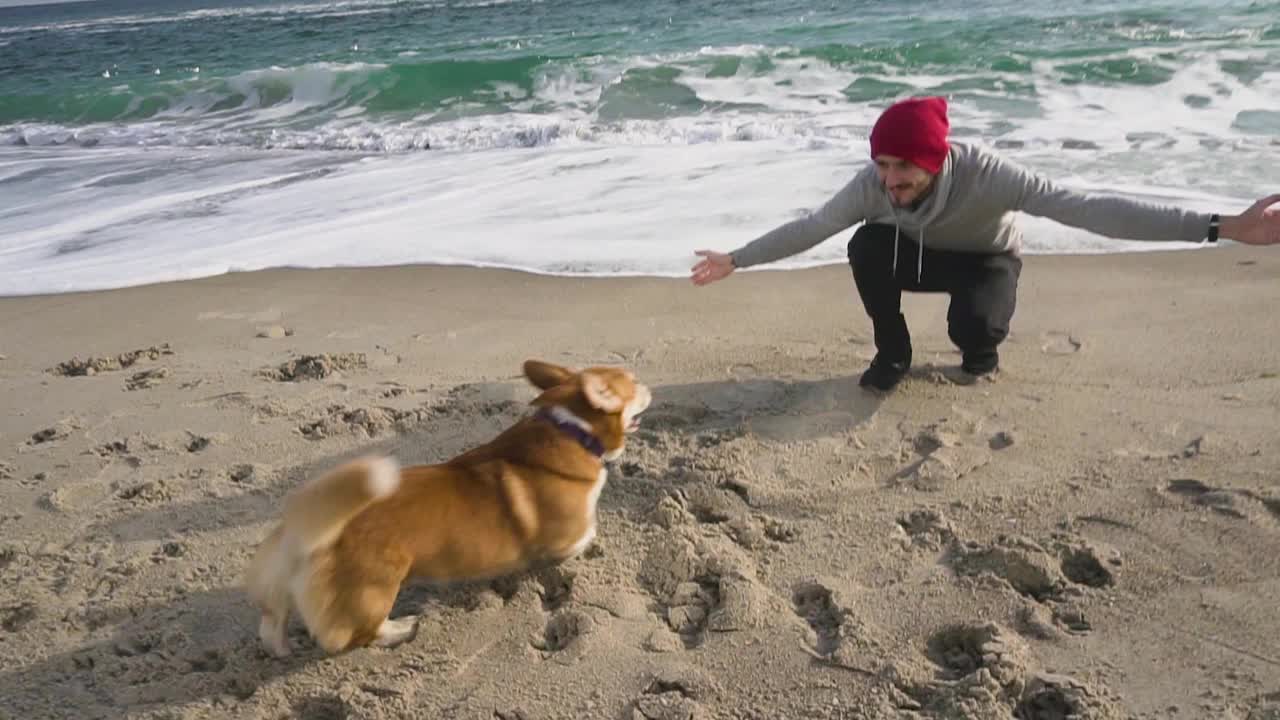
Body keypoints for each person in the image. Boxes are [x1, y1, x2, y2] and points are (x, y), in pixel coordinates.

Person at [690, 96, 1280, 391]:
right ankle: (893, 353)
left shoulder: (990, 175)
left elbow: (1089, 208)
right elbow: (811, 226)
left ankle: (980, 348)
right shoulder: (873, 187)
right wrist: (736, 259)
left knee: (972, 335)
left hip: (987, 257)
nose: (890, 180)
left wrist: (1221, 226)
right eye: (882, 165)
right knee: (866, 245)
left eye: (903, 168)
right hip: (918, 253)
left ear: (935, 160)